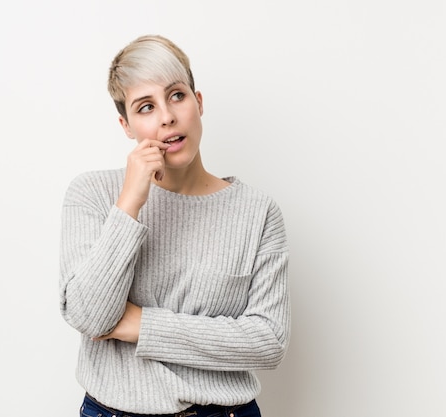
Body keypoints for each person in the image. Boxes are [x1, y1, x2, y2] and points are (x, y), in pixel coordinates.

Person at [59, 34, 290, 416]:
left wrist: (141, 325)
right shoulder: (92, 194)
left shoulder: (258, 212)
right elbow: (89, 316)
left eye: (177, 95)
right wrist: (130, 202)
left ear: (198, 103)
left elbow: (268, 341)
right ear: (126, 125)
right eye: (145, 106)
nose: (166, 116)